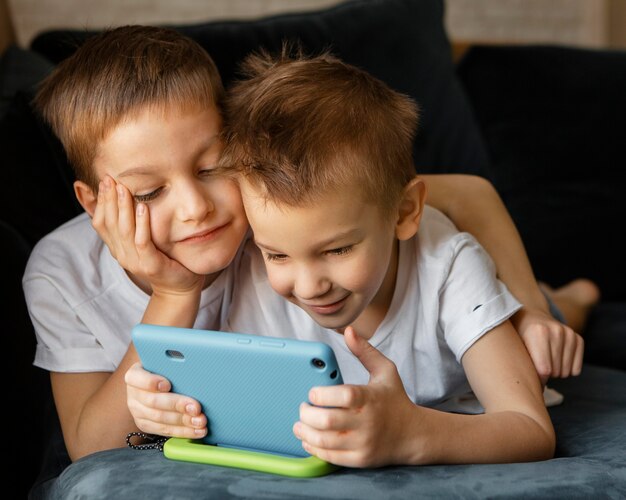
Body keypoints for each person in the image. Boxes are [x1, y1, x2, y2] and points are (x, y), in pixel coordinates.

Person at [25, 26, 597, 465]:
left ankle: (567, 299)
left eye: (213, 166)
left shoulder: (277, 199)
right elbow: (99, 445)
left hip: (459, 312)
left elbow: (464, 199)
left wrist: (523, 307)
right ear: (93, 201)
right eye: (149, 192)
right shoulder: (65, 272)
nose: (196, 208)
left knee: (543, 332)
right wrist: (175, 295)